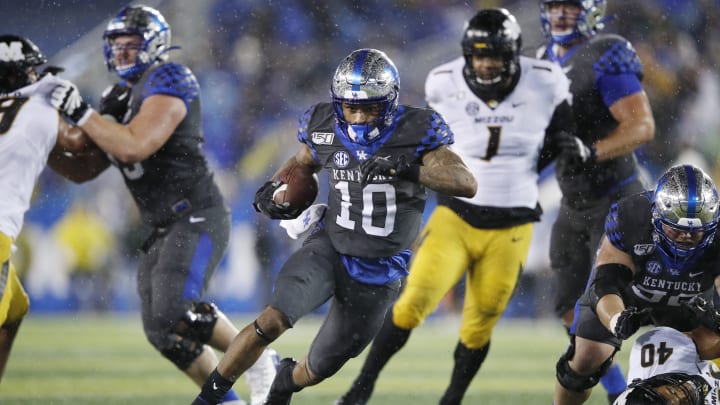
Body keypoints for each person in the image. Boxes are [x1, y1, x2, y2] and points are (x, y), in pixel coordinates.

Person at [188, 47, 477, 405]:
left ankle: (284, 382)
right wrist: (274, 188)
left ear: (388, 103)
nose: (356, 117)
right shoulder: (322, 123)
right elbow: (302, 162)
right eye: (349, 106)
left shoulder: (417, 129)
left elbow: (466, 182)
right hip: (329, 246)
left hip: (380, 269)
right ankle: (207, 400)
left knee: (319, 366)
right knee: (271, 320)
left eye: (368, 107)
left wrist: (408, 169)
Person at [336, 8, 585, 405]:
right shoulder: (443, 82)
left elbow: (562, 136)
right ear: (467, 54)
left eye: (495, 55)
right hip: (456, 215)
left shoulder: (545, 81)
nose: (486, 63)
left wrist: (566, 152)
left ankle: (451, 399)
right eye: (478, 54)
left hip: (513, 223)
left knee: (479, 323)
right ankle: (359, 389)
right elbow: (427, 139)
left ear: (514, 54)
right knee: (413, 301)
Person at [45, 5, 278, 404]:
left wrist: (81, 112)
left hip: (196, 214)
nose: (121, 53)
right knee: (162, 331)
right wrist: (44, 127)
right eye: (116, 44)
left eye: (131, 44)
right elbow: (84, 167)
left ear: (154, 45)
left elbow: (136, 145)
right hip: (161, 226)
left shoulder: (169, 77)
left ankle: (258, 358)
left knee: (177, 307)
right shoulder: (117, 95)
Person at [538, 0, 656, 400]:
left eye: (569, 7)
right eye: (553, 6)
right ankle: (618, 389)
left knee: (595, 314)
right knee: (568, 307)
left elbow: (642, 125)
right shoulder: (540, 59)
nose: (559, 14)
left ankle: (641, 385)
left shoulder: (605, 53)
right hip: (573, 203)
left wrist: (592, 149)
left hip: (615, 201)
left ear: (590, 10)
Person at [552, 164, 720, 404]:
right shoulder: (631, 216)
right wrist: (616, 319)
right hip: (628, 294)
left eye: (695, 232)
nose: (686, 237)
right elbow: (606, 281)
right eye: (677, 230)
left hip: (690, 302)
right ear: (657, 217)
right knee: (585, 359)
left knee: (713, 346)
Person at [0, 34, 94, 382]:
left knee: (14, 312)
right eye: (28, 70)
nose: (34, 74)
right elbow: (80, 142)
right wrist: (86, 112)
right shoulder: (38, 110)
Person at [612, 326, 719, 405]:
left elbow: (713, 340)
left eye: (672, 391)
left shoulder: (654, 354)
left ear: (652, 385)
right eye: (682, 404)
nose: (684, 394)